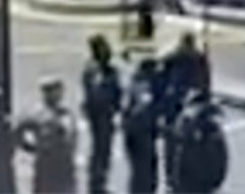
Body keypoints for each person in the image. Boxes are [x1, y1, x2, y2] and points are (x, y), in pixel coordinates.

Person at [16, 77, 79, 194]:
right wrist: (30, 148)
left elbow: (72, 136)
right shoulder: (36, 113)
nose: (59, 94)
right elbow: (18, 131)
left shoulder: (66, 113)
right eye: (55, 91)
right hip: (46, 162)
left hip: (65, 163)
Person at [81, 34, 124, 194]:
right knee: (99, 150)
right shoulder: (94, 70)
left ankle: (100, 181)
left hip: (107, 114)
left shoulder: (109, 70)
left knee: (104, 150)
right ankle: (96, 184)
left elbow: (116, 91)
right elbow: (96, 93)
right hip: (99, 115)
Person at [165, 89, 228, 194]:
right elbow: (221, 158)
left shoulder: (182, 125)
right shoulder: (212, 128)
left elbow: (174, 156)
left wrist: (172, 181)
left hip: (189, 182)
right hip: (200, 183)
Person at [120, 60, 160, 194]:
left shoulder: (132, 84)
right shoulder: (142, 86)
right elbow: (143, 106)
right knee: (145, 172)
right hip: (140, 133)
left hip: (133, 132)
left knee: (139, 171)